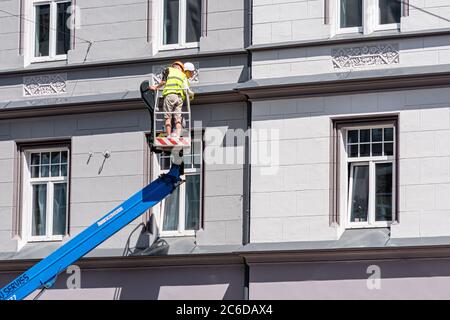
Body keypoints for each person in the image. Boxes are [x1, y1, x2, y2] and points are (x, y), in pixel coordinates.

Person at [150, 61, 195, 137]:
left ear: (173, 66)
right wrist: (191, 95)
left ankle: (168, 135)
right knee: (178, 118)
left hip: (170, 96)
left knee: (168, 117)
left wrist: (155, 87)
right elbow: (186, 90)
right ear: (181, 68)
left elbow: (163, 81)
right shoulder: (183, 75)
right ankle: (177, 135)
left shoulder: (169, 70)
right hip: (179, 98)